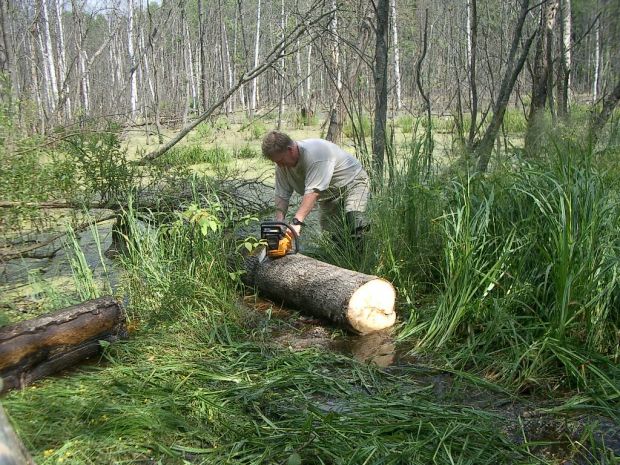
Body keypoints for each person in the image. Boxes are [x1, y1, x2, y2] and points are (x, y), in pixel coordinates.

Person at [261, 130, 370, 248]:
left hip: (352, 183)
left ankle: (360, 262)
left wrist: (296, 222)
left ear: (290, 150)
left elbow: (313, 192)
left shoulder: (316, 154)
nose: (280, 165)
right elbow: (282, 195)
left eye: (281, 160)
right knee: (333, 235)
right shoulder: (281, 166)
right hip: (328, 194)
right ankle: (338, 263)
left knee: (354, 223)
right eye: (276, 162)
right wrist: (279, 222)